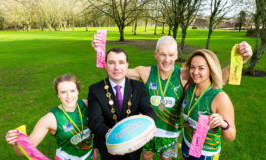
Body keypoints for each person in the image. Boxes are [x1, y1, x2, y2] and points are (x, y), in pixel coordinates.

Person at [92, 35, 251, 160]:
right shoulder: (145, 72)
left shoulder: (184, 74)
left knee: (166, 158)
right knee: (146, 156)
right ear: (156, 54)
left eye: (170, 55)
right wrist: (100, 52)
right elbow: (117, 70)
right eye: (162, 54)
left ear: (176, 55)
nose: (166, 59)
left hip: (171, 133)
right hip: (147, 130)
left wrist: (239, 61)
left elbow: (215, 77)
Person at [87, 47, 156, 160]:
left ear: (127, 65)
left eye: (121, 62)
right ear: (105, 65)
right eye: (111, 62)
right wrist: (110, 136)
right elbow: (95, 122)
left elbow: (148, 110)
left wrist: (150, 124)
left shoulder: (138, 87)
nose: (117, 67)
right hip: (109, 147)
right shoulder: (96, 90)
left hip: (133, 146)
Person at [5, 74, 94, 160]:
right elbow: (20, 152)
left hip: (89, 156)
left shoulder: (86, 105)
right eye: (63, 92)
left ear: (78, 91)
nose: (69, 96)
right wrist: (16, 141)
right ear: (57, 94)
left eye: (72, 91)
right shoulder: (50, 119)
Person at [181, 49, 236, 160]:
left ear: (210, 70)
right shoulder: (189, 88)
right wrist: (189, 122)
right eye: (192, 67)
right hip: (187, 142)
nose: (195, 72)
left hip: (205, 153)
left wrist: (223, 124)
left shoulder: (220, 97)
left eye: (201, 68)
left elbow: (231, 136)